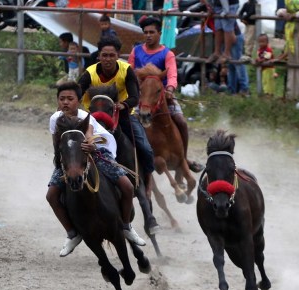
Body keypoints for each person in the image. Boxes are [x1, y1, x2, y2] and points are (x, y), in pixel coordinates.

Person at [47, 81, 147, 257]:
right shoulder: (55, 119)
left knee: (128, 187)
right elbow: (57, 142)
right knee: (51, 195)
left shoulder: (86, 117)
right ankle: (72, 233)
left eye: (70, 99)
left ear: (78, 101)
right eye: (62, 99)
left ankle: (126, 226)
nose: (65, 102)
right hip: (72, 158)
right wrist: (62, 162)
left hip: (98, 151)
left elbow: (89, 136)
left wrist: (90, 145)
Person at [78, 36, 156, 197]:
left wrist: (123, 105)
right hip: (93, 118)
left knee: (146, 148)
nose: (107, 59)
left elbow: (135, 97)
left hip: (122, 115)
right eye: (104, 55)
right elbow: (77, 93)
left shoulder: (126, 70)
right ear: (99, 56)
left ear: (118, 56)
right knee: (72, 142)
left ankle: (148, 181)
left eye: (111, 55)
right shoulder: (89, 73)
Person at [129, 17, 204, 173]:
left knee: (181, 121)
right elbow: (129, 73)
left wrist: (169, 89)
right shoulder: (136, 52)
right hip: (142, 97)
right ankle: (131, 159)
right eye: (146, 32)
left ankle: (184, 157)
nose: (148, 35)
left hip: (162, 97)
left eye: (152, 32)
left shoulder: (167, 54)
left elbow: (172, 74)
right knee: (128, 124)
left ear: (159, 33)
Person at [276, 0, 299, 100]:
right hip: (293, 44)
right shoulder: (288, 12)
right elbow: (279, 11)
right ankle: (293, 93)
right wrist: (285, 13)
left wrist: (293, 16)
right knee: (293, 66)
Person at [227, 25, 249, 96]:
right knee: (231, 66)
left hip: (234, 37)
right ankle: (231, 90)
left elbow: (233, 38)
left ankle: (244, 89)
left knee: (238, 64)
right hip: (228, 38)